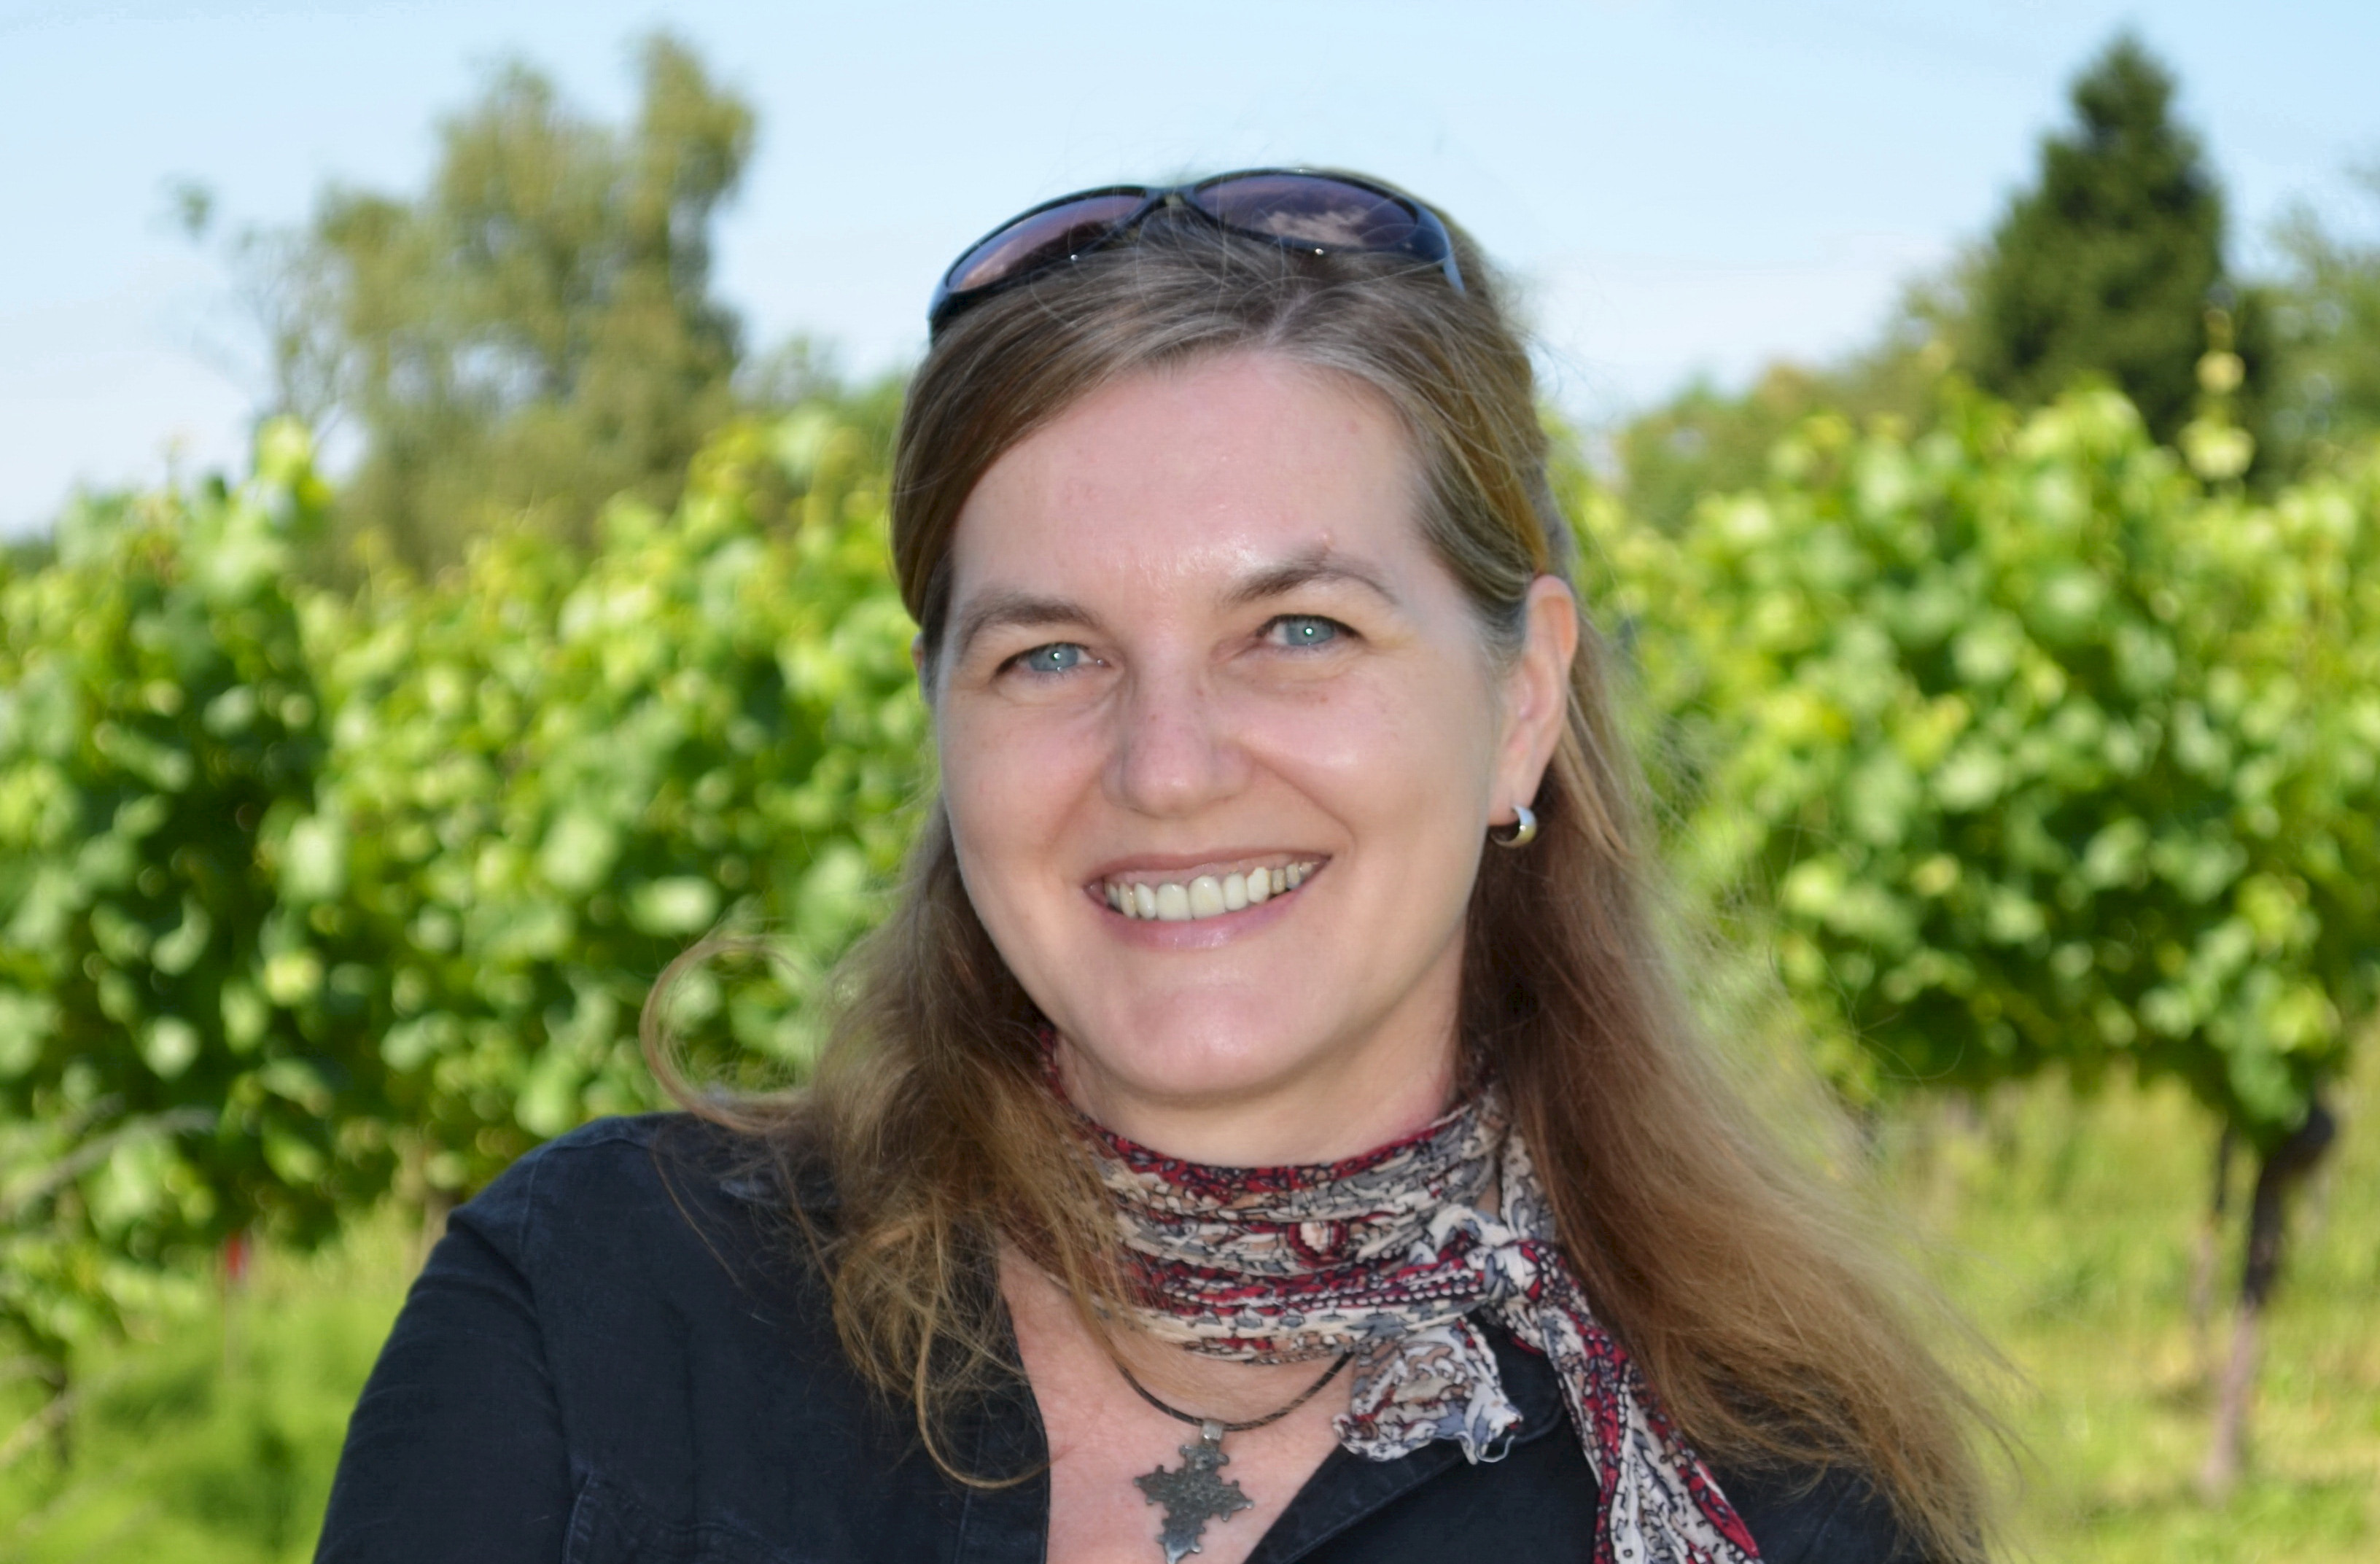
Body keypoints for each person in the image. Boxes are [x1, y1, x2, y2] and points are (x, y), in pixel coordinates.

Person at [314, 170, 1997, 1564]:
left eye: (1299, 628)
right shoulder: (600, 1312)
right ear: (942, 721)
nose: (1168, 768)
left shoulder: (1785, 1498)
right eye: (1050, 654)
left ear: (1521, 703)